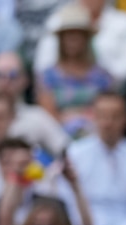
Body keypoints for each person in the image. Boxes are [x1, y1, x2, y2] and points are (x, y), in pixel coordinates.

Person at [65, 91, 126, 225]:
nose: (107, 123)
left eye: (114, 117)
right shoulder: (74, 154)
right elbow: (69, 202)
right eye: (102, 116)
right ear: (93, 116)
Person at [34, 2, 115, 140]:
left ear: (86, 39)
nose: (72, 40)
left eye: (77, 35)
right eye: (68, 35)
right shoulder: (48, 76)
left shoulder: (103, 76)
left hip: (97, 135)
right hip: (58, 138)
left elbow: (109, 111)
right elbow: (48, 116)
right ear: (61, 40)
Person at [34, 0, 126, 86]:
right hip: (58, 89)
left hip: (109, 91)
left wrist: (101, 79)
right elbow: (42, 65)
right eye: (70, 35)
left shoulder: (124, 21)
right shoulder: (57, 19)